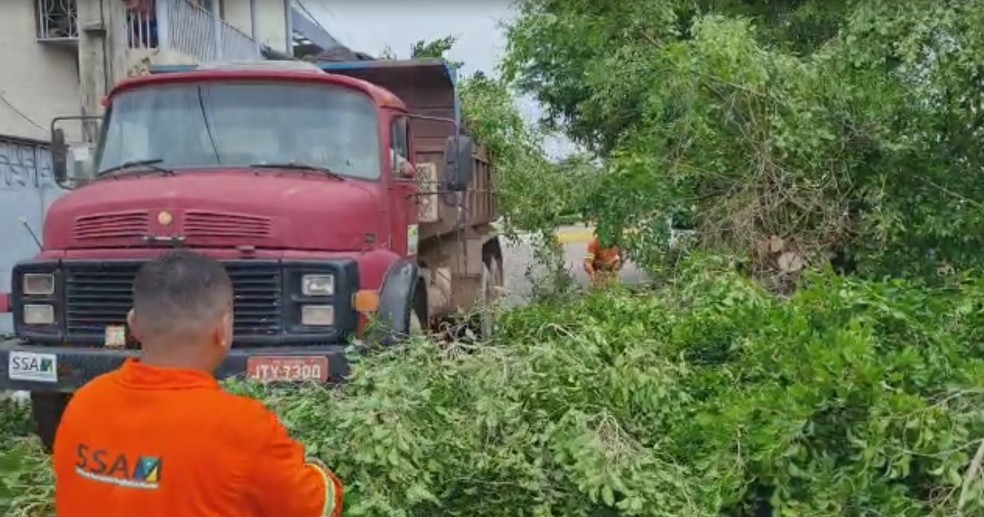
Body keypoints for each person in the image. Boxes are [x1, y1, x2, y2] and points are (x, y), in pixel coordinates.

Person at [53, 250, 343, 517]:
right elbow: (316, 506)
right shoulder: (243, 428)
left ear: (134, 323)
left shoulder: (84, 403)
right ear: (223, 328)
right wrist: (318, 470)